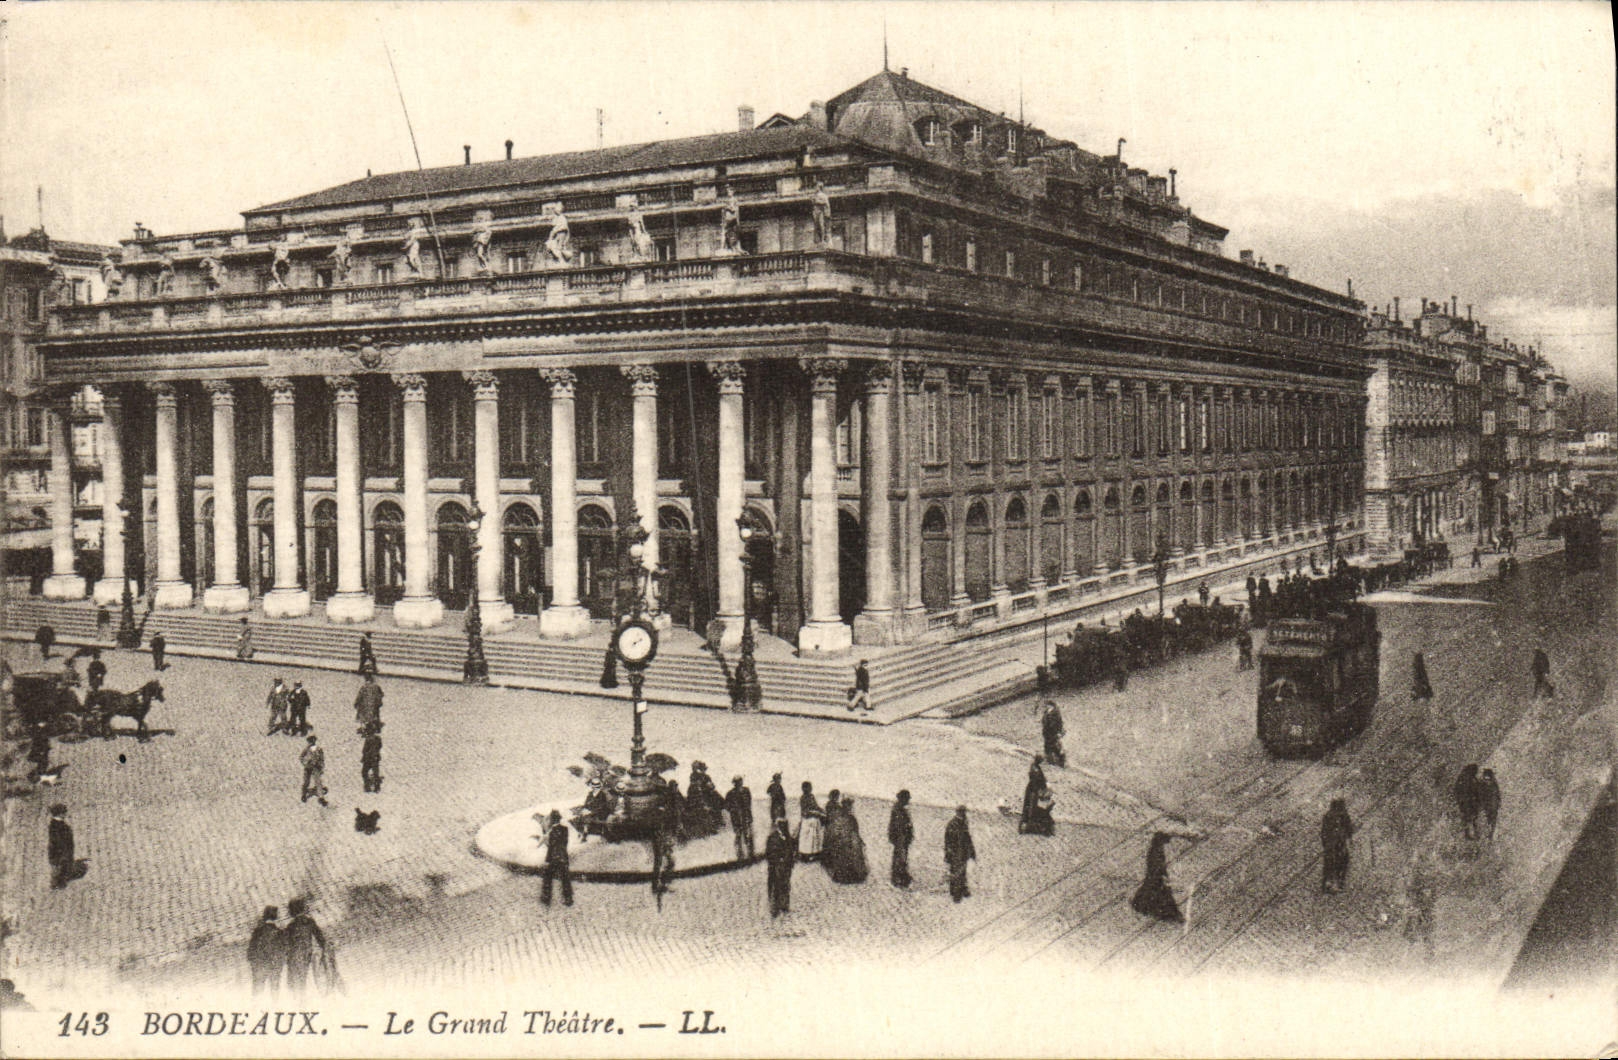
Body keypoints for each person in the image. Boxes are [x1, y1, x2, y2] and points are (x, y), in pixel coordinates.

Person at [1130, 832, 1183, 924]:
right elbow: (1157, 864)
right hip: (1156, 876)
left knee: (1153, 890)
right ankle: (1169, 914)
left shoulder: (1155, 849)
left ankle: (1143, 905)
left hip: (1154, 875)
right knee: (1161, 893)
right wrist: (1162, 874)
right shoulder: (1156, 851)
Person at [283, 899, 330, 997]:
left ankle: (299, 999)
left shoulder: (291, 926)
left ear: (292, 911)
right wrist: (324, 947)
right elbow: (319, 936)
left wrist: (286, 956)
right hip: (307, 954)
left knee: (296, 982)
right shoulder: (309, 922)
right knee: (304, 979)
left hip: (294, 956)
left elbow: (285, 943)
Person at [824, 796, 868, 884]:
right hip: (849, 841)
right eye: (850, 806)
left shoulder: (839, 817)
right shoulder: (850, 818)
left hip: (843, 841)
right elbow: (855, 830)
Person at [247, 906, 287, 996]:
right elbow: (284, 948)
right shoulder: (280, 932)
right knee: (275, 989)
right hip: (275, 964)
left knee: (257, 990)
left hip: (260, 964)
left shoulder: (258, 931)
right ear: (276, 917)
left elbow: (251, 949)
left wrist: (253, 962)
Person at [540, 809, 573, 907]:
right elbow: (564, 843)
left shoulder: (552, 831)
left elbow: (551, 846)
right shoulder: (565, 829)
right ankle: (568, 898)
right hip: (563, 856)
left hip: (554, 858)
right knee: (565, 878)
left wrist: (547, 860)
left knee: (548, 877)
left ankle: (546, 897)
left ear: (552, 820)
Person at [1320, 798, 1354, 893]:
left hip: (1330, 844)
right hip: (1339, 843)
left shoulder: (1328, 816)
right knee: (1342, 862)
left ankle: (1328, 882)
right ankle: (1338, 883)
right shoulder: (1344, 816)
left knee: (1329, 863)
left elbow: (1323, 832)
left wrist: (1325, 843)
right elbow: (1349, 830)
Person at [944, 806, 976, 903]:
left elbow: (968, 838)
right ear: (958, 812)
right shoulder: (953, 824)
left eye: (964, 812)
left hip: (962, 851)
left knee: (961, 871)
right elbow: (948, 840)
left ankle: (961, 889)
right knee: (956, 871)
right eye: (962, 812)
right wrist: (949, 852)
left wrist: (971, 851)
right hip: (956, 852)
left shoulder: (963, 823)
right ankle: (956, 893)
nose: (964, 814)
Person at [47, 803, 84, 889]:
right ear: (61, 814)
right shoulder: (60, 825)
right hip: (61, 851)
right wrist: (64, 851)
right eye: (64, 812)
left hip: (58, 851)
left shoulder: (54, 824)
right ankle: (57, 883)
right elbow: (59, 840)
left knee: (59, 866)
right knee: (60, 867)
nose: (66, 814)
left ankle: (58, 882)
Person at [765, 816, 795, 918]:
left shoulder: (788, 837)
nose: (784, 828)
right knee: (775, 887)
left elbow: (791, 850)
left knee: (785, 885)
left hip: (786, 867)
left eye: (785, 825)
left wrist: (790, 862)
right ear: (778, 826)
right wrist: (778, 861)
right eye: (782, 825)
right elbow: (769, 853)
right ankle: (774, 908)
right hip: (775, 867)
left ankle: (784, 905)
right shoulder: (773, 838)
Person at [1019, 756, 1054, 836]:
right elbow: (1039, 779)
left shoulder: (1035, 767)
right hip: (1033, 791)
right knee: (1031, 807)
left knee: (1030, 807)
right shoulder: (1036, 769)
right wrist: (1044, 785)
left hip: (1033, 790)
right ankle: (1030, 826)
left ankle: (1029, 825)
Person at [725, 775, 755, 861]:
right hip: (736, 817)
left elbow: (749, 802)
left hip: (746, 816)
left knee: (748, 835)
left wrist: (748, 814)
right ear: (734, 783)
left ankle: (751, 853)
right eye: (737, 782)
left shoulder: (746, 790)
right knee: (738, 835)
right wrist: (733, 810)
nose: (739, 783)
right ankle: (740, 855)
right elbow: (727, 806)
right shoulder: (730, 793)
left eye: (740, 781)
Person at [888, 789, 914, 888]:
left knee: (900, 857)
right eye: (907, 798)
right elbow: (900, 826)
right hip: (900, 839)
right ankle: (899, 878)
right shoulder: (899, 810)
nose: (908, 801)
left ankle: (900, 877)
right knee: (900, 858)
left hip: (901, 839)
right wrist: (903, 837)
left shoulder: (900, 809)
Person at [797, 781, 824, 862]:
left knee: (814, 838)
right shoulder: (803, 798)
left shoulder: (812, 796)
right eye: (808, 787)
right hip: (807, 820)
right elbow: (805, 811)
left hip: (813, 819)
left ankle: (814, 853)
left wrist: (822, 811)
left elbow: (816, 806)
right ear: (804, 789)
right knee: (807, 839)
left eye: (810, 787)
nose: (810, 789)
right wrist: (815, 813)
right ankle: (805, 855)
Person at [1452, 763, 1480, 840]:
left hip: (1467, 802)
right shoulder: (1467, 779)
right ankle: (1470, 834)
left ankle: (1470, 833)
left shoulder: (1464, 777)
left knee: (1469, 818)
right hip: (1467, 802)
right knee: (1470, 818)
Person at [300, 736, 328, 806]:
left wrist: (321, 766)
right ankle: (304, 794)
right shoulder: (307, 749)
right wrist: (305, 763)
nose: (311, 742)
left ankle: (321, 798)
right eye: (310, 741)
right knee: (306, 781)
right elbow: (301, 757)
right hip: (308, 767)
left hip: (316, 767)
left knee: (318, 782)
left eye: (312, 741)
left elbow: (322, 759)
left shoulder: (319, 749)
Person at [1476, 768, 1501, 841]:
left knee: (1491, 821)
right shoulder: (1482, 785)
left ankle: (1490, 835)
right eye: (1485, 778)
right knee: (1486, 821)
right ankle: (1486, 835)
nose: (1487, 781)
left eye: (1488, 779)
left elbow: (1496, 798)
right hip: (1486, 806)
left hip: (1491, 807)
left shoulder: (1493, 786)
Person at [1041, 701, 1066, 767]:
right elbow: (1044, 721)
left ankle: (1061, 761)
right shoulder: (1046, 712)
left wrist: (1058, 732)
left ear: (1052, 706)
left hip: (1053, 732)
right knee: (1047, 746)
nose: (1046, 706)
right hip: (1047, 732)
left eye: (1048, 705)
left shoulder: (1056, 713)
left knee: (1055, 746)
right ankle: (1050, 760)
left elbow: (1059, 723)